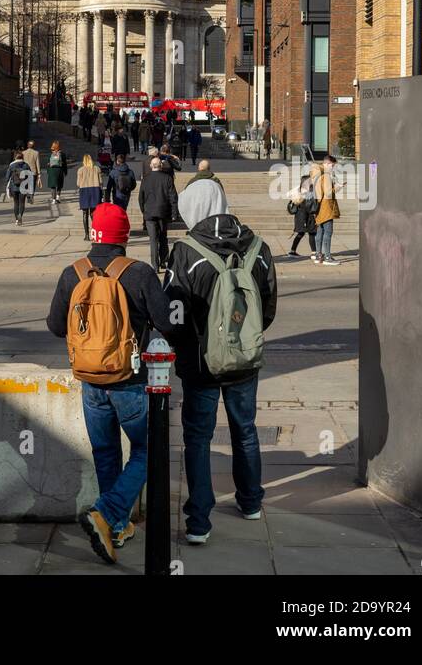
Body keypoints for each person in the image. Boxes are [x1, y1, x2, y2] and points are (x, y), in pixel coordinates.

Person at [46, 202, 177, 564]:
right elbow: (167, 323)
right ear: (124, 236)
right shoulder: (138, 273)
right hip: (130, 380)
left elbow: (56, 326)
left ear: (93, 233)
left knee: (106, 452)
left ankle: (115, 526)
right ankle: (107, 514)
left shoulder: (71, 273)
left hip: (90, 381)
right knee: (148, 450)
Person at [164, 212, 277, 544]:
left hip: (201, 364)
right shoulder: (260, 248)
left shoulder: (185, 251)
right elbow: (268, 306)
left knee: (198, 438)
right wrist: (241, 341)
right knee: (245, 430)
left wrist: (189, 346)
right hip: (244, 360)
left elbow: (174, 311)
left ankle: (199, 521)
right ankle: (251, 501)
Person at [139, 155, 180, 271]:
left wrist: (144, 210)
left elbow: (140, 198)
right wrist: (174, 213)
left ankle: (155, 265)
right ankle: (163, 261)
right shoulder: (167, 178)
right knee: (163, 237)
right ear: (161, 165)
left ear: (151, 166)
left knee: (153, 240)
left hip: (149, 213)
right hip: (162, 212)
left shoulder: (145, 179)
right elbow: (173, 197)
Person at [178, 159, 228, 231]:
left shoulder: (192, 181)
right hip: (213, 214)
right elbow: (222, 196)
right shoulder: (216, 181)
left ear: (199, 169)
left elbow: (185, 198)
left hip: (197, 212)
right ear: (209, 168)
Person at [313, 156, 340, 265]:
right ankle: (327, 257)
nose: (333, 168)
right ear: (328, 164)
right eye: (332, 166)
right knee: (328, 232)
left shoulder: (316, 173)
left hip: (318, 206)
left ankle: (318, 255)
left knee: (320, 232)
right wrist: (337, 187)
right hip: (326, 206)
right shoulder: (326, 175)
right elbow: (328, 193)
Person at [287, 174, 318, 258]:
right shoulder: (306, 192)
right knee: (312, 233)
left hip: (300, 217)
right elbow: (308, 206)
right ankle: (314, 252)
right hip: (306, 217)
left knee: (301, 233)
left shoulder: (298, 190)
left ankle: (292, 251)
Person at [77, 154, 103, 241]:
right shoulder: (97, 169)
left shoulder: (80, 170)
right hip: (95, 190)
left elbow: (78, 183)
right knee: (94, 213)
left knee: (85, 213)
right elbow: (101, 182)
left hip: (84, 191)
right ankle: (95, 234)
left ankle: (86, 235)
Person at [4, 150, 33, 227]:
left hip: (14, 187)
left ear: (15, 157)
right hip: (23, 187)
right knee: (22, 203)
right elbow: (30, 177)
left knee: (16, 203)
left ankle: (17, 220)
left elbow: (7, 178)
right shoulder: (26, 165)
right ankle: (20, 217)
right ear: (22, 157)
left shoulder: (11, 165)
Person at [46, 140, 68, 205]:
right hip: (60, 170)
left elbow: (48, 164)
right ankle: (58, 197)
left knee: (53, 186)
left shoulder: (51, 154)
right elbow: (65, 164)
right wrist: (65, 172)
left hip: (52, 171)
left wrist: (48, 171)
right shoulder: (62, 154)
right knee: (59, 184)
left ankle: (53, 199)